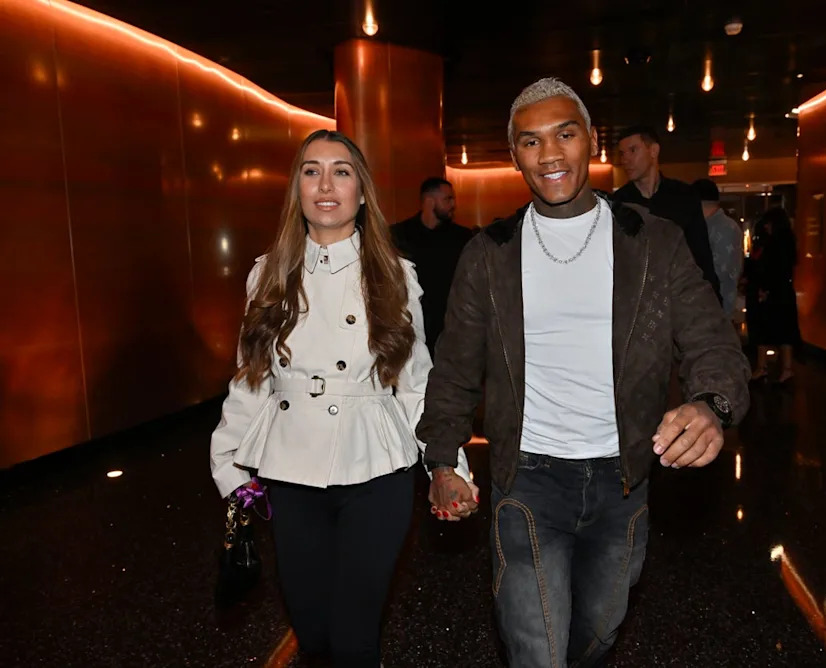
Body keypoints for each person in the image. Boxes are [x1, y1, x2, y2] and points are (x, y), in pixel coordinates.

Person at [416, 78, 750, 667]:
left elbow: (712, 341)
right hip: (527, 480)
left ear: (591, 140)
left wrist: (711, 403)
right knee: (536, 651)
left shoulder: (654, 242)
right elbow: (455, 368)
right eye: (531, 141)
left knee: (597, 637)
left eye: (564, 135)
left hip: (623, 478)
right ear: (514, 155)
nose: (549, 154)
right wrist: (443, 460)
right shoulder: (489, 254)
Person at [209, 129, 476, 667]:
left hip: (375, 468)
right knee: (312, 633)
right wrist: (229, 464)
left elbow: (415, 381)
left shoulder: (394, 275)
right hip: (291, 470)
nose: (326, 185)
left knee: (355, 638)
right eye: (311, 171)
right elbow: (251, 377)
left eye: (341, 171)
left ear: (361, 191)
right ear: (297, 189)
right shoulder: (267, 274)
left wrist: (449, 466)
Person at [611, 125, 721, 300]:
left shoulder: (684, 196)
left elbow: (701, 255)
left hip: (681, 298)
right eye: (622, 153)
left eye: (633, 150)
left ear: (653, 151)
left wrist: (712, 302)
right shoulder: (619, 203)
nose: (626, 159)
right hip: (637, 302)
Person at [392, 178, 473, 357]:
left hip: (452, 331)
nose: (453, 204)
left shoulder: (462, 238)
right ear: (429, 201)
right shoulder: (398, 236)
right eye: (448, 199)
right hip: (411, 329)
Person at [747, 206, 801, 383]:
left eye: (768, 223)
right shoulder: (788, 241)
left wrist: (764, 289)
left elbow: (770, 270)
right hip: (784, 293)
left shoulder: (772, 244)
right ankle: (787, 369)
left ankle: (762, 367)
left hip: (771, 294)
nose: (766, 227)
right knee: (785, 331)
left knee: (762, 330)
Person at [692, 178, 743, 318]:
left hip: (717, 309)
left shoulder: (725, 228)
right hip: (710, 307)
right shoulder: (709, 226)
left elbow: (720, 273)